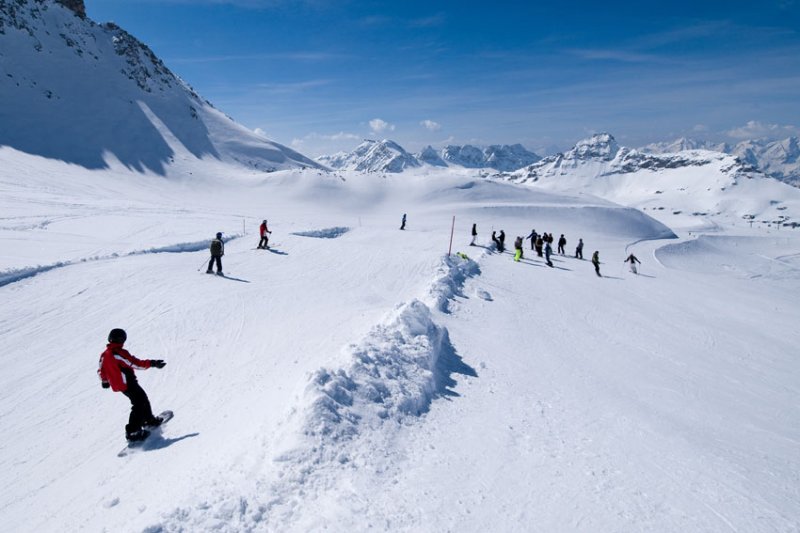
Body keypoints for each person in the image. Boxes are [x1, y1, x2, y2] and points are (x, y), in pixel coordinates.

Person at [98, 328, 166, 441]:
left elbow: (101, 370)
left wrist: (104, 381)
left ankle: (148, 420)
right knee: (139, 404)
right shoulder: (119, 353)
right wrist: (152, 363)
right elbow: (135, 364)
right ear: (122, 340)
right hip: (127, 383)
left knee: (142, 399)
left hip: (120, 385)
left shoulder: (104, 355)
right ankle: (133, 431)